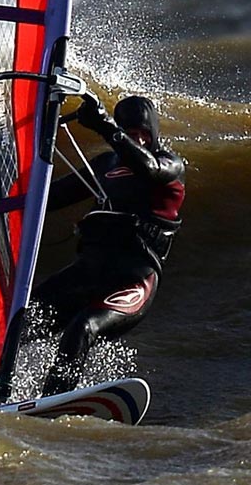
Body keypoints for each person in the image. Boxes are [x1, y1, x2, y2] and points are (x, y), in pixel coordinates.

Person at [24, 92, 186, 392]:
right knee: (20, 321)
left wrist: (105, 127)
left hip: (132, 281)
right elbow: (49, 199)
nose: (138, 140)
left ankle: (51, 406)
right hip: (89, 271)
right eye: (131, 134)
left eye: (144, 135)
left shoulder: (170, 166)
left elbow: (147, 168)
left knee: (83, 327)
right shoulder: (105, 165)